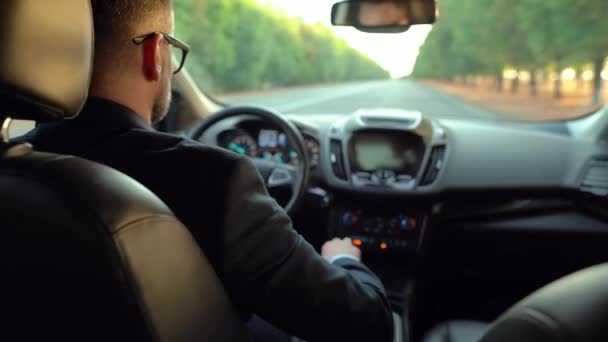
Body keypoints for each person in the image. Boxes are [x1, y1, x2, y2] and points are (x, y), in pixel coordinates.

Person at [15, 1, 393, 341]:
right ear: (155, 54)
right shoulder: (215, 180)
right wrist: (344, 260)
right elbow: (365, 324)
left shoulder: (16, 169)